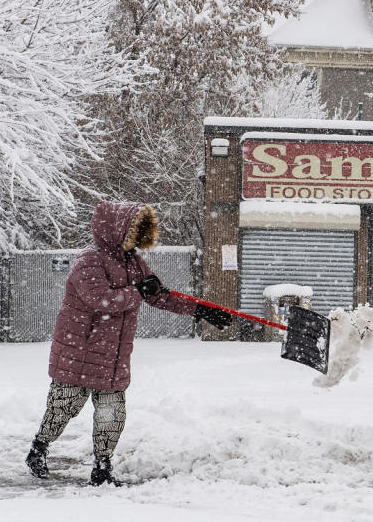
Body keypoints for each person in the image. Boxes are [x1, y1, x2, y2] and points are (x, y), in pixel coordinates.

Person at [25, 201, 231, 485]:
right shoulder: (90, 260)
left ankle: (102, 467)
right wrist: (136, 291)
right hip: (80, 351)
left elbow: (159, 295)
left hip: (113, 354)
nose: (135, 240)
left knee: (112, 415)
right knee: (63, 408)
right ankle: (39, 448)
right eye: (132, 233)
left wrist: (200, 309)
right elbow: (101, 300)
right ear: (115, 231)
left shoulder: (133, 261)